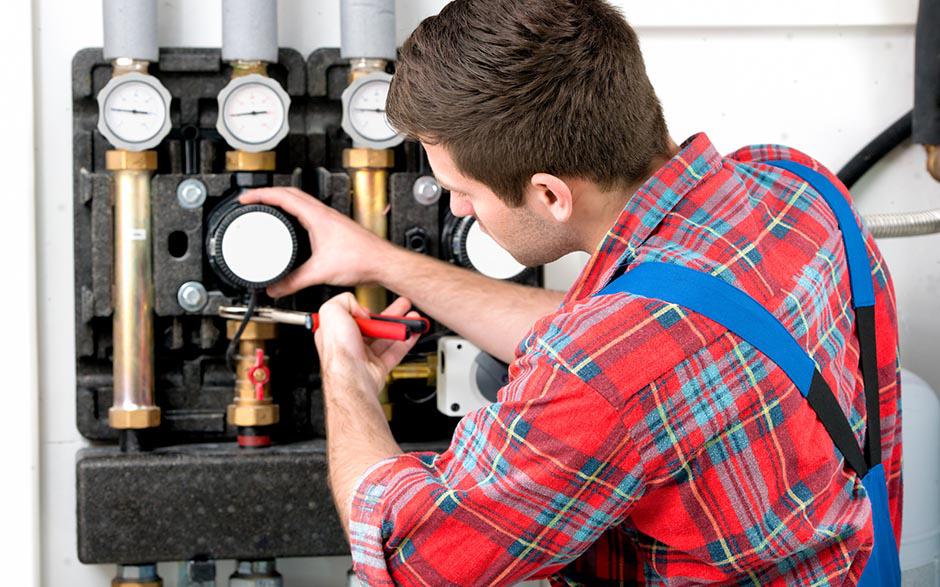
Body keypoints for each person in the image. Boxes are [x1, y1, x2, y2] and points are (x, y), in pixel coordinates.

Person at [241, 0, 903, 584]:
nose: (461, 211)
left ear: (551, 195)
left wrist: (346, 378)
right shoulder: (796, 188)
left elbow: (409, 552)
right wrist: (378, 259)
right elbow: (637, 338)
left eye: (463, 193)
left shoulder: (605, 368)